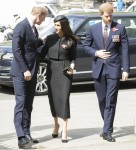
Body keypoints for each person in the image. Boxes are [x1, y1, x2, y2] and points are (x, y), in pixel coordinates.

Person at [83, 3, 129, 142]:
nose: (109, 18)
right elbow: (85, 46)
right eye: (106, 16)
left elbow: (125, 49)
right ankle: (106, 124)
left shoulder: (119, 28)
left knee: (111, 101)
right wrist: (96, 52)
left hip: (114, 69)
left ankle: (107, 130)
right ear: (101, 14)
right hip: (99, 69)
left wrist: (125, 69)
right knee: (102, 100)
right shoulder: (93, 29)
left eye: (111, 15)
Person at [10, 5, 48, 149]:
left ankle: (27, 133)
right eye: (43, 18)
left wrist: (43, 41)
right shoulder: (21, 26)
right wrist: (25, 69)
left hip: (32, 72)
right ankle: (20, 137)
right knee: (21, 103)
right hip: (21, 72)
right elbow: (17, 50)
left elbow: (31, 47)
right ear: (39, 15)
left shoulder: (33, 28)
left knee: (28, 105)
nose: (43, 21)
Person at [40, 15, 78, 143]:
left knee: (64, 98)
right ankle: (56, 124)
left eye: (57, 25)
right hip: (51, 70)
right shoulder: (49, 38)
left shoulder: (71, 39)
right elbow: (41, 54)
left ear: (63, 26)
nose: (55, 27)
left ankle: (65, 129)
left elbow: (73, 57)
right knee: (52, 98)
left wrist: (72, 66)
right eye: (54, 25)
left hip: (65, 70)